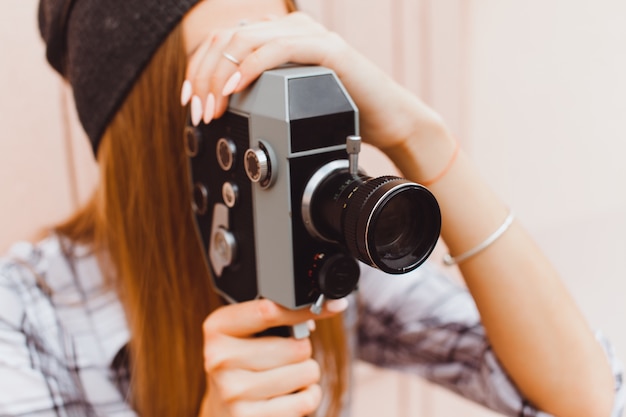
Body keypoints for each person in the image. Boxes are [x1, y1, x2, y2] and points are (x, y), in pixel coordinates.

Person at [1, 0, 623, 416]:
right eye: (245, 80)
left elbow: (588, 399)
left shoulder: (320, 250)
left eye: (291, 64)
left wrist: (420, 136)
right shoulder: (25, 318)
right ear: (160, 134)